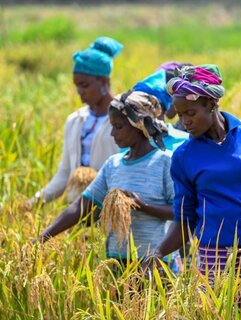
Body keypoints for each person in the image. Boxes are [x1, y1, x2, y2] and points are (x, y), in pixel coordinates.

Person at [145, 64, 241, 292]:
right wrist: (158, 252)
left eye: (191, 113)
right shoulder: (184, 156)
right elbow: (185, 219)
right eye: (181, 115)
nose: (185, 122)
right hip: (215, 258)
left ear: (212, 104)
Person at [38, 91, 176, 269]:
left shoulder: (165, 162)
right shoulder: (113, 164)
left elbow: (179, 211)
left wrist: (141, 205)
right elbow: (81, 205)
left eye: (118, 127)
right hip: (117, 261)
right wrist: (43, 237)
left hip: (154, 262)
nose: (112, 133)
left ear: (139, 125)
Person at [30, 37, 123, 205]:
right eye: (77, 85)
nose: (80, 91)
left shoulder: (124, 119)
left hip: (111, 208)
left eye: (85, 85)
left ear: (104, 81)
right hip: (77, 210)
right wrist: (33, 203)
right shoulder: (75, 121)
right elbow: (65, 173)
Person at [132, 66, 189, 151]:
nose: (142, 114)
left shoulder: (184, 141)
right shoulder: (131, 144)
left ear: (163, 108)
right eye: (138, 108)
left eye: (148, 107)